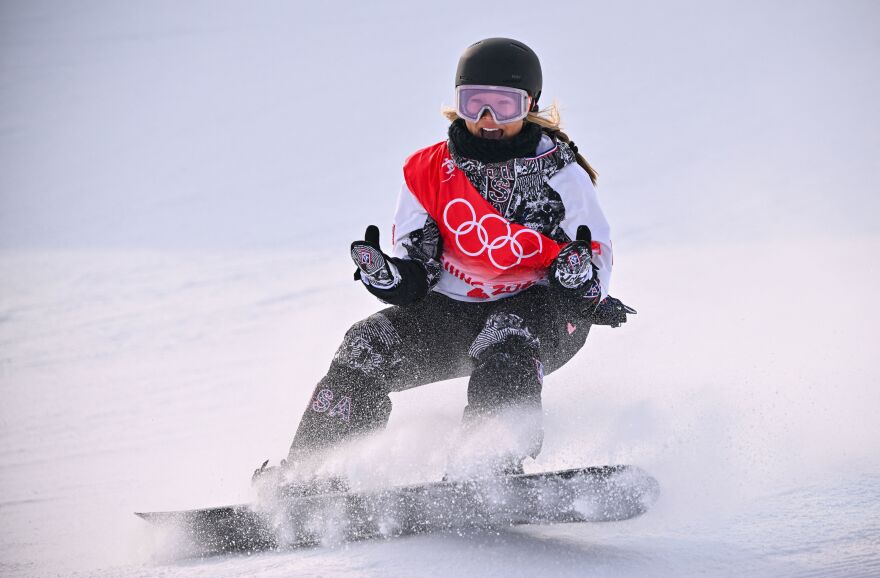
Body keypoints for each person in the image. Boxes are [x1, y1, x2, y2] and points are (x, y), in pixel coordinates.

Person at [255, 37, 635, 489]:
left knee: (507, 331)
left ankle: (489, 459)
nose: (487, 120)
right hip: (454, 315)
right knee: (367, 341)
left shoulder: (561, 174)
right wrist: (392, 279)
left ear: (529, 104)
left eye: (503, 106)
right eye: (474, 104)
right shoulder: (428, 171)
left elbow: (595, 254)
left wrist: (582, 288)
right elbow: (419, 268)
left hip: (542, 314)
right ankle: (311, 474)